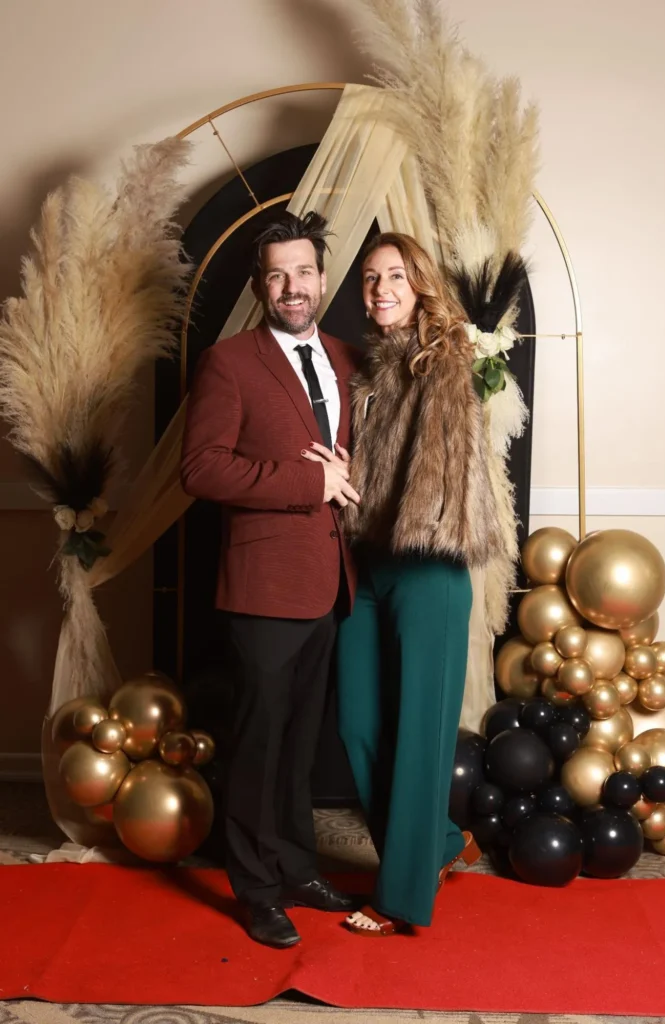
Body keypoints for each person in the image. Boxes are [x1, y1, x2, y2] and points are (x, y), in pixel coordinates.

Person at [181, 211, 361, 949]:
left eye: (304, 271)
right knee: (256, 749)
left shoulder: (347, 357)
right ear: (261, 286)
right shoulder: (229, 362)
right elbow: (202, 468)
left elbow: (352, 462)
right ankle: (255, 891)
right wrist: (306, 482)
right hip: (261, 585)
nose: (293, 286)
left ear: (322, 277)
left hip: (328, 580)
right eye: (278, 274)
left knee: (297, 744)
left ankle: (295, 866)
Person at [314, 232, 501, 935]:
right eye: (369, 278)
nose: (380, 289)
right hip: (371, 565)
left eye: (394, 276)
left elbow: (433, 480)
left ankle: (399, 898)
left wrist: (359, 492)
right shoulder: (370, 372)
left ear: (419, 284)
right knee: (357, 722)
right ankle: (442, 846)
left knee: (419, 733)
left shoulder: (443, 359)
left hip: (427, 567)